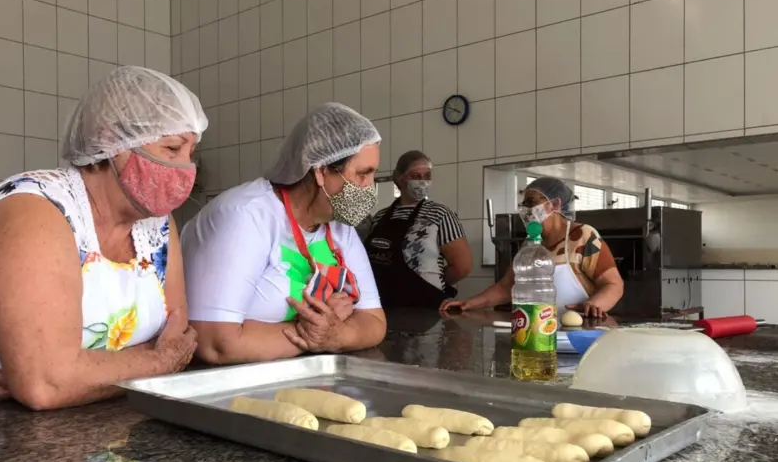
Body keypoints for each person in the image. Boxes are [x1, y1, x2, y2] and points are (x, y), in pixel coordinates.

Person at [0, 66, 207, 408]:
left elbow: (179, 334)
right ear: (114, 141)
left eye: (191, 153)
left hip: (62, 419)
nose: (187, 169)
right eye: (172, 148)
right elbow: (48, 384)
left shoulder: (157, 225)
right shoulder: (35, 211)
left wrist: (77, 376)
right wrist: (162, 363)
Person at [181, 103, 386, 364]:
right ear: (321, 171)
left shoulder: (339, 228)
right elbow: (216, 343)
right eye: (362, 174)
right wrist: (314, 332)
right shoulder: (246, 215)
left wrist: (334, 334)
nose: (369, 187)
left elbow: (375, 322)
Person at [440, 176, 624, 318]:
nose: (525, 210)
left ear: (555, 204)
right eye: (524, 204)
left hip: (578, 331)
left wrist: (594, 305)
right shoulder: (530, 244)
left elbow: (613, 284)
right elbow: (507, 287)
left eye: (531, 202)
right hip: (538, 330)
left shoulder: (583, 237)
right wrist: (469, 303)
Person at [363, 150, 472, 308]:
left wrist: (426, 282)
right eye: (415, 176)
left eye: (427, 176)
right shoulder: (380, 217)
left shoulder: (441, 214)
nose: (422, 182)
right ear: (399, 179)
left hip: (427, 306)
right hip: (385, 305)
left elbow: (463, 267)